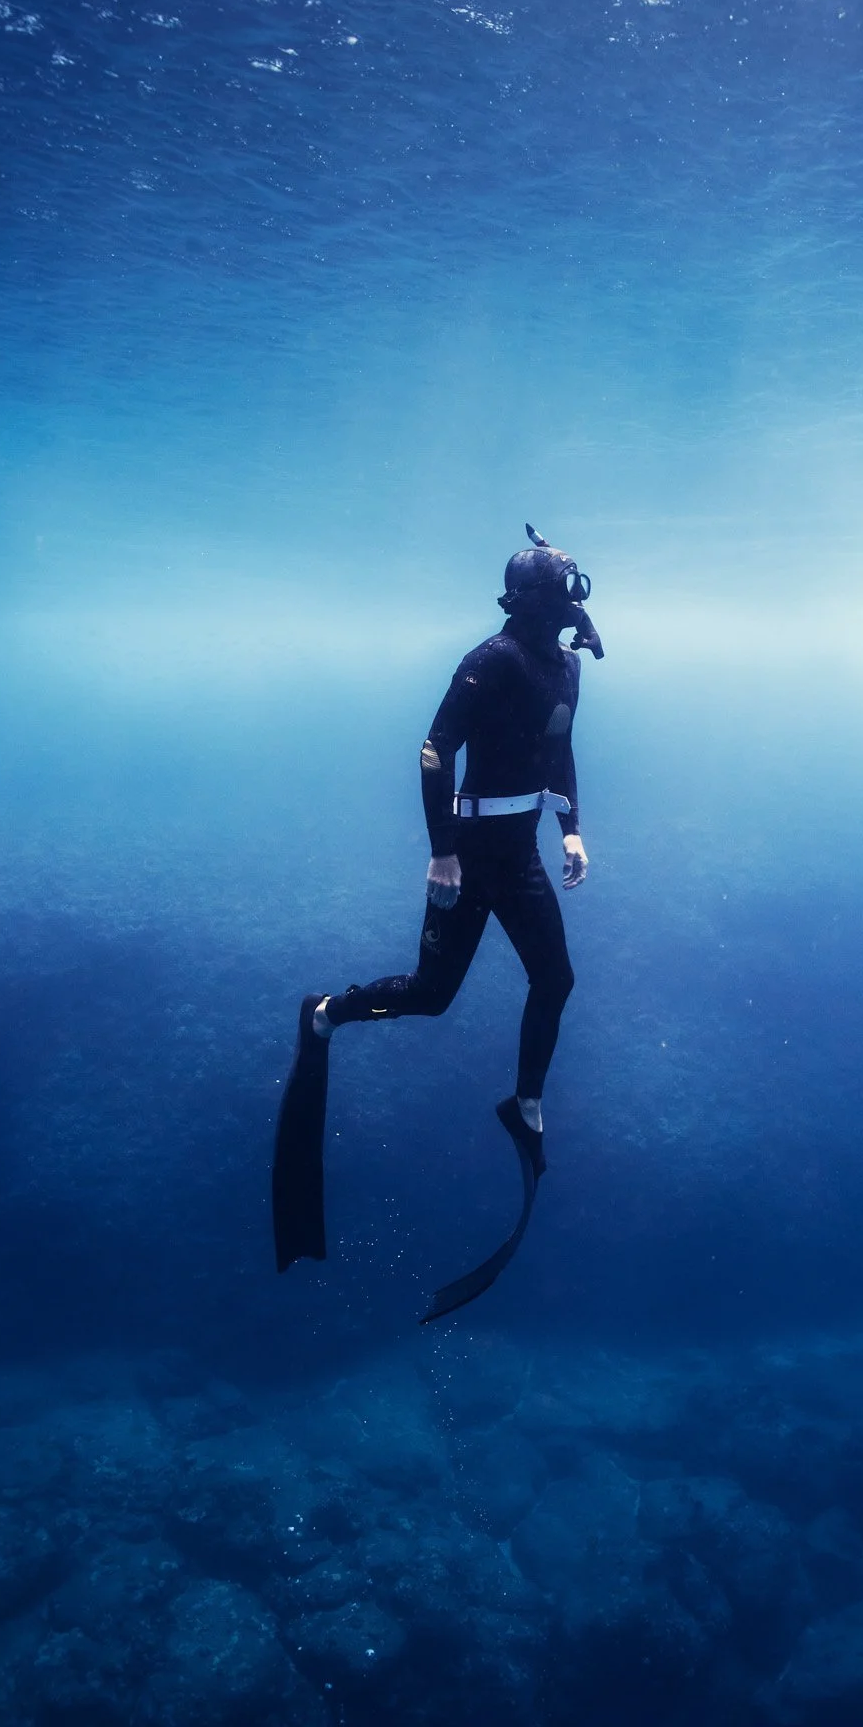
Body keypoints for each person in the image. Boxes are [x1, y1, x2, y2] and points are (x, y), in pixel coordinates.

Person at [272, 526, 603, 1315]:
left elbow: (560, 748)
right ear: (535, 599)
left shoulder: (562, 666)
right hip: (471, 850)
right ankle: (329, 1011)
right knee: (430, 993)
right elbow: (434, 750)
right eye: (564, 589)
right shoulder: (488, 661)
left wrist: (571, 826)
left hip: (517, 849)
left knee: (555, 978)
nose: (575, 601)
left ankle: (523, 1102)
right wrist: (442, 853)